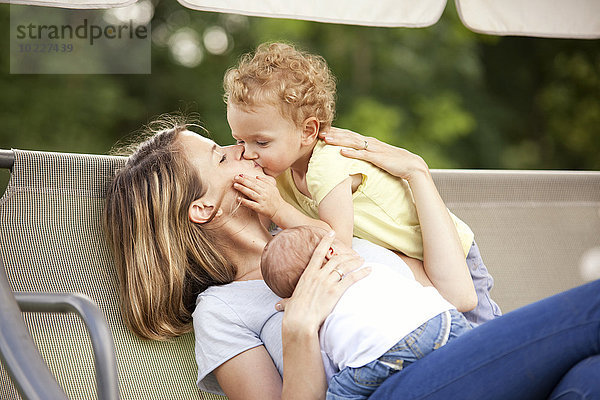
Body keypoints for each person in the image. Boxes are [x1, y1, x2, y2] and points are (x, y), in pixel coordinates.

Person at [103, 119, 600, 400]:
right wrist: (300, 328)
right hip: (397, 390)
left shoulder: (326, 226)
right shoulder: (223, 310)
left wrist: (417, 174)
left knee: (589, 379)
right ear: (202, 207)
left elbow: (455, 297)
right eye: (219, 155)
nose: (241, 149)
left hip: (458, 357)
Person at [224, 42, 500, 325]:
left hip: (449, 252)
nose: (247, 152)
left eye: (261, 141)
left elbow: (337, 240)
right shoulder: (280, 169)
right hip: (408, 261)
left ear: (308, 131)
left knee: (486, 337)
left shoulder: (326, 164)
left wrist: (277, 208)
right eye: (239, 140)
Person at [261, 225, 472, 399]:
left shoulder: (316, 318)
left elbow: (325, 370)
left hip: (377, 356)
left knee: (338, 391)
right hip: (441, 321)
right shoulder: (370, 267)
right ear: (331, 252)